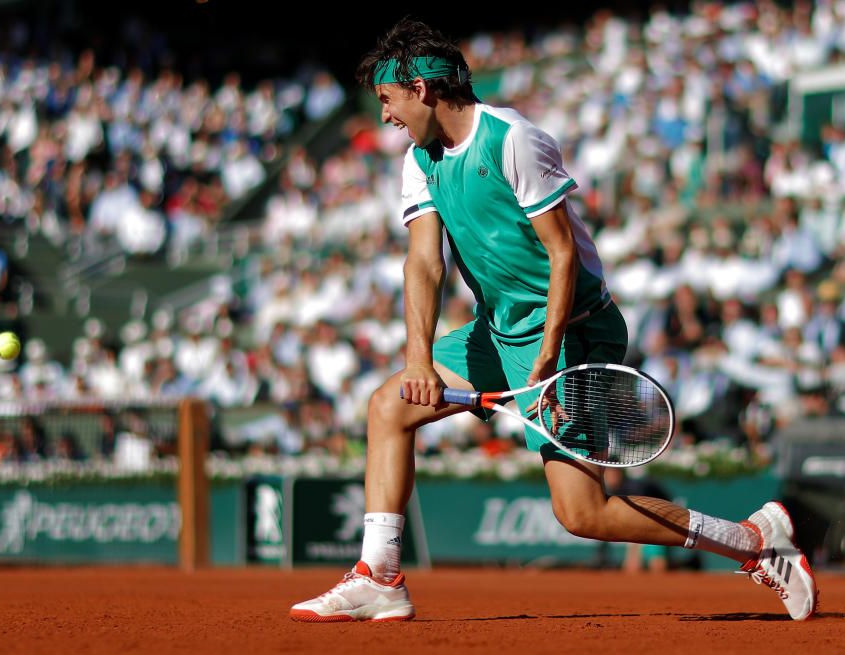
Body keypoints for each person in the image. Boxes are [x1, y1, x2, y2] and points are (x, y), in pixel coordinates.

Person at [289, 18, 817, 623]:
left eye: (388, 101)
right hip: (499, 329)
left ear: (422, 89)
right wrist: (417, 359)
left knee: (582, 513)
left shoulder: (513, 138)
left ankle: (753, 541)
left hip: (572, 333)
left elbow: (562, 253)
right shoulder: (420, 160)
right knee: (389, 406)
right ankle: (379, 576)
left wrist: (546, 363)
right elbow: (423, 265)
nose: (385, 117)